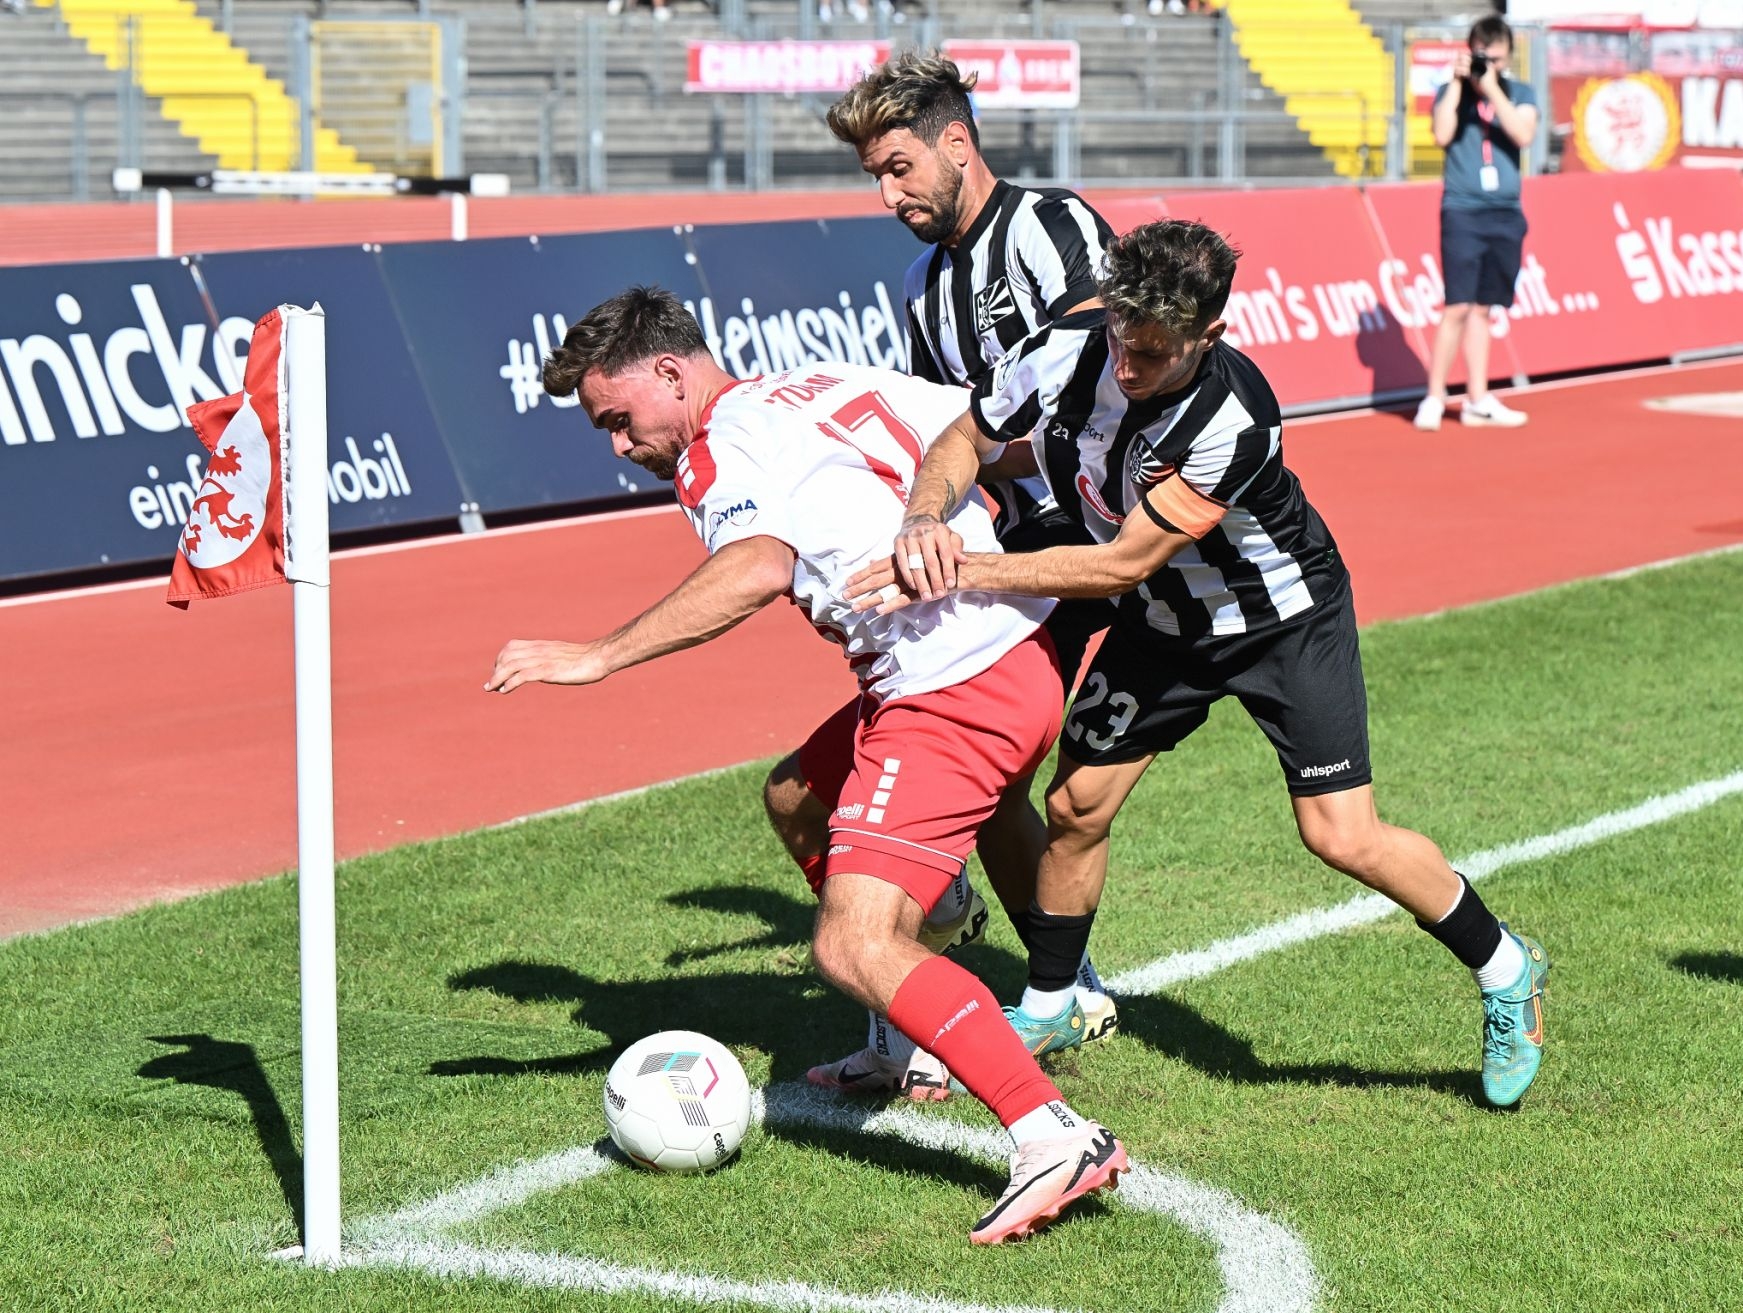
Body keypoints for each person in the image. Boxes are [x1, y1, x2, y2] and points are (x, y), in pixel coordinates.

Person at [850, 220, 1552, 1109]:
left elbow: (1118, 564)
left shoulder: (1235, 416)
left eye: (1152, 352)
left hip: (1280, 622)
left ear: (1209, 334)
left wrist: (963, 566)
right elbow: (966, 435)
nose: (1127, 365)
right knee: (1075, 805)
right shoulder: (1069, 344)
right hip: (1164, 621)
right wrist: (923, 517)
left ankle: (1505, 966)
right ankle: (1054, 1004)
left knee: (1341, 835)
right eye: (1120, 337)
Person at [485, 285, 1128, 1242]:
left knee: (851, 943)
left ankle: (1052, 1134)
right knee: (796, 796)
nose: (620, 447)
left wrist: (597, 655)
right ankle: (907, 1034)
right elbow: (984, 437)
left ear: (670, 373)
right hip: (1008, 655)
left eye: (618, 420)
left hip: (951, 688)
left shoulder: (712, 450)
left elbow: (756, 566)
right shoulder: (817, 384)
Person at [771, 50, 1120, 1097]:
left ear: (956, 145)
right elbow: (940, 434)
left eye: (899, 168)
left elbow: (1099, 382)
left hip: (1102, 547)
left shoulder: (1053, 228)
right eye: (875, 176)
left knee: (1037, 777)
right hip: (1007, 559)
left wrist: (988, 462)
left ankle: (1047, 974)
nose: (890, 195)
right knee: (995, 776)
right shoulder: (928, 291)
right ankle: (1061, 980)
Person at [1413, 14, 1539, 433]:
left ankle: (1478, 398)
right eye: (1485, 59)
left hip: (1505, 210)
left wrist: (1492, 86)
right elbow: (1442, 133)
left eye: (1498, 60)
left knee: (1484, 308)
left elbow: (1523, 134)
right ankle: (1434, 396)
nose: (1490, 66)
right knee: (1457, 306)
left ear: (1509, 58)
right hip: (1463, 210)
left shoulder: (1520, 92)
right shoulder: (1453, 92)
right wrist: (1458, 83)